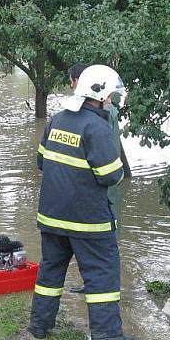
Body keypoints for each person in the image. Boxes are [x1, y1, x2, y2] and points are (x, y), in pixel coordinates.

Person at [28, 64, 138, 340]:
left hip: (51, 216)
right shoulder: (97, 128)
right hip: (88, 220)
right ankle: (106, 335)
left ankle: (40, 325)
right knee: (102, 273)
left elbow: (42, 162)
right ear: (99, 94)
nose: (111, 101)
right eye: (110, 96)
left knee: (50, 272)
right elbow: (112, 176)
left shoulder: (56, 120)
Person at [67, 64, 131, 232]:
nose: (72, 87)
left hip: (99, 191)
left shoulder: (99, 116)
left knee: (106, 234)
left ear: (78, 81)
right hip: (103, 187)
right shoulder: (103, 112)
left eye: (72, 82)